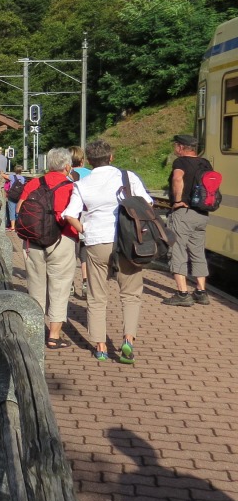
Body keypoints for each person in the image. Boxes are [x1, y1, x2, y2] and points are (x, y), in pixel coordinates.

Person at [63, 138, 153, 364]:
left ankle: (100, 347)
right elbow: (148, 204)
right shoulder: (127, 177)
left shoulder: (82, 183)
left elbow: (70, 214)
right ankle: (128, 340)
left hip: (96, 243)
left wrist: (85, 230)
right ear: (111, 157)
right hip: (127, 242)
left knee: (96, 296)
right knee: (130, 294)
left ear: (89, 161)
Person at [18, 147, 78, 350]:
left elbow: (20, 209)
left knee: (35, 286)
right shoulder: (71, 187)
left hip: (33, 242)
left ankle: (33, 331)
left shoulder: (34, 183)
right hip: (62, 240)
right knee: (60, 287)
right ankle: (53, 336)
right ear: (67, 167)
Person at [163, 133, 211, 306]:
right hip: (202, 214)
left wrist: (177, 201)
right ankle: (201, 291)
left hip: (184, 213)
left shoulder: (181, 162)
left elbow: (177, 178)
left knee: (177, 250)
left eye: (175, 145)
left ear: (181, 147)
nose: (174, 148)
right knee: (198, 252)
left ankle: (182, 294)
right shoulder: (205, 163)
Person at [69, 145, 90, 299]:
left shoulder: (67, 175)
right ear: (82, 160)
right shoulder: (91, 174)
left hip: (71, 217)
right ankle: (86, 283)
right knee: (85, 252)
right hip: (88, 216)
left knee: (71, 253)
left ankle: (69, 284)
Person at [4, 164, 25, 231]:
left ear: (15, 170)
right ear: (21, 171)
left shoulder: (12, 177)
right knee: (18, 210)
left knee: (12, 211)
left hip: (12, 196)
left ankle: (13, 227)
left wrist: (1, 173)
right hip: (19, 196)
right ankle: (18, 226)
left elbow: (4, 176)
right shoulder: (23, 178)